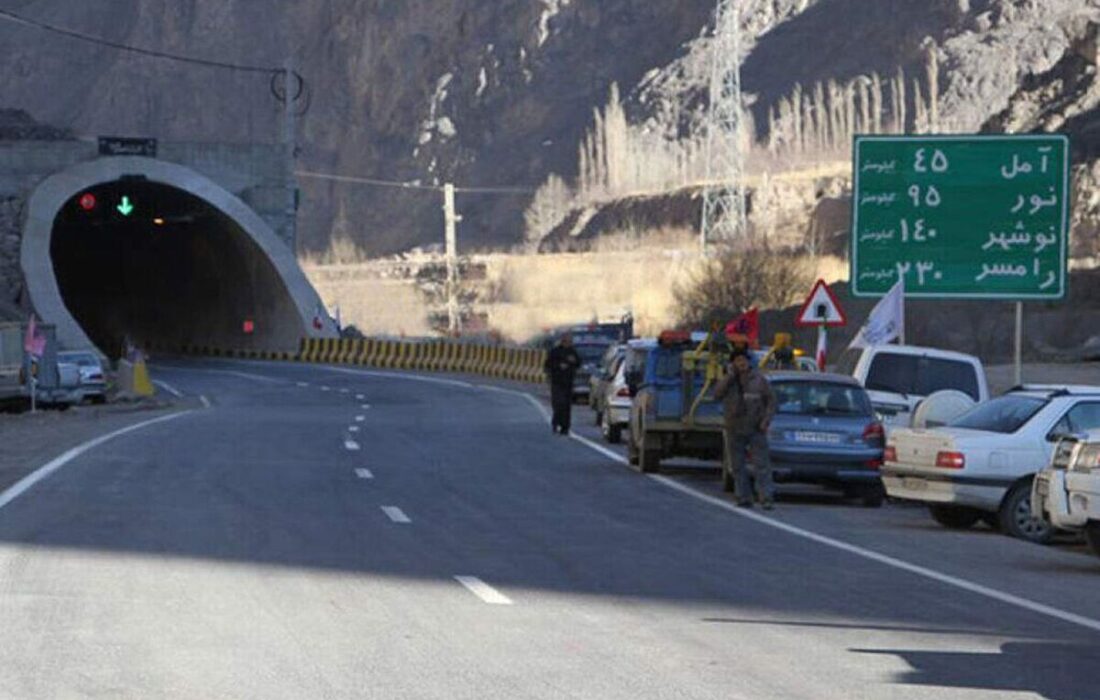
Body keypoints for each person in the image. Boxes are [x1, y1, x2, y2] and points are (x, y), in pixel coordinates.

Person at [714, 346, 777, 509]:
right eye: (737, 361)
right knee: (737, 465)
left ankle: (766, 498)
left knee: (761, 465)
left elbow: (771, 402)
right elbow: (717, 394)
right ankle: (743, 497)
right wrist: (729, 377)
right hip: (734, 427)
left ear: (748, 362)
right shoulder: (729, 380)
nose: (741, 363)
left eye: (743, 360)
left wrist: (765, 421)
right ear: (733, 364)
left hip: (756, 427)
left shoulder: (759, 380)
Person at [544, 332, 581, 435]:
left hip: (568, 382)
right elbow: (547, 364)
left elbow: (578, 363)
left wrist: (572, 362)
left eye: (570, 341)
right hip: (557, 381)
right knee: (558, 403)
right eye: (567, 340)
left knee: (566, 405)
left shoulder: (573, 352)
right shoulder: (555, 351)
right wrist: (558, 366)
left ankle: (565, 427)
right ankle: (556, 423)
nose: (569, 342)